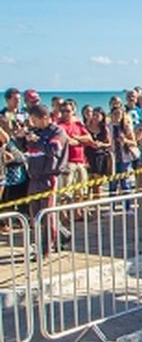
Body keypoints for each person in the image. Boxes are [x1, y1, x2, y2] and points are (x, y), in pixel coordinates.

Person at [24, 104, 68, 256]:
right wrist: (27, 139)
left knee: (47, 215)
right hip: (34, 178)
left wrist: (37, 142)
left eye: (34, 119)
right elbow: (28, 148)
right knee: (34, 215)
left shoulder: (57, 132)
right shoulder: (35, 131)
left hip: (50, 177)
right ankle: (43, 242)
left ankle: (46, 249)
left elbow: (53, 150)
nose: (33, 123)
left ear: (44, 118)